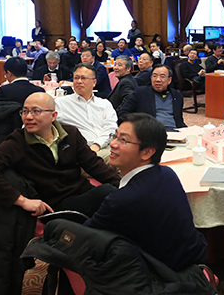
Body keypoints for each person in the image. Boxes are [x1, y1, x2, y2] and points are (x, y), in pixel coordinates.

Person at [84, 113, 207, 271]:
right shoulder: (167, 173)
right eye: (114, 137)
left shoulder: (121, 200)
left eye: (123, 140)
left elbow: (87, 236)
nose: (113, 144)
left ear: (147, 152)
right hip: (194, 256)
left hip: (162, 272)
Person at [0, 92, 120, 217]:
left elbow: (94, 165)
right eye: (25, 111)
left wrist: (124, 185)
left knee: (118, 197)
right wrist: (22, 201)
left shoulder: (70, 134)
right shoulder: (17, 141)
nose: (28, 117)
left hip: (83, 192)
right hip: (56, 205)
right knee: (108, 195)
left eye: (36, 111)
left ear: (53, 115)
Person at [55, 63, 118, 160]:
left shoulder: (104, 104)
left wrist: (97, 144)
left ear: (94, 82)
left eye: (83, 78)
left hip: (107, 146)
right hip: (82, 150)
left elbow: (111, 127)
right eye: (76, 78)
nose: (79, 81)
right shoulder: (60, 103)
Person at [117, 65, 186, 131]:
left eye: (162, 76)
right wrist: (138, 126)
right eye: (154, 76)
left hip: (174, 132)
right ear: (151, 78)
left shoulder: (177, 96)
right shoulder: (140, 92)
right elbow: (123, 113)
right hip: (150, 132)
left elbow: (179, 120)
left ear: (169, 80)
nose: (158, 80)